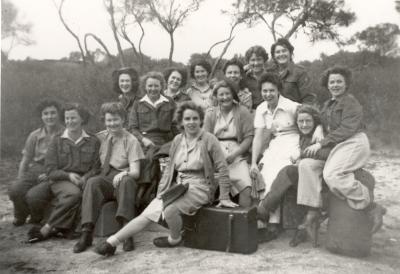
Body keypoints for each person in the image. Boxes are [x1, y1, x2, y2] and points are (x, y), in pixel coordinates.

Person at [95, 101, 237, 256]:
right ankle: (112, 242)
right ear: (181, 121)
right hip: (178, 185)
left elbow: (223, 169)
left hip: (201, 186)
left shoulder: (209, 139)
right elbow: (169, 170)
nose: (191, 122)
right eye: (187, 119)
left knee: (169, 210)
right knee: (149, 213)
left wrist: (224, 197)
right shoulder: (177, 140)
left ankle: (174, 239)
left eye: (195, 118)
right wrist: (161, 193)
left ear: (201, 120)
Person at [295, 66, 386, 242]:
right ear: (327, 85)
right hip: (336, 145)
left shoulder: (351, 103)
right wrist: (320, 126)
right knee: (306, 165)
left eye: (339, 82)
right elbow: (320, 119)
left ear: (346, 84)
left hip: (352, 142)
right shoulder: (328, 104)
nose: (335, 85)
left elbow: (346, 129)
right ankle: (312, 211)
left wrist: (321, 142)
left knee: (332, 175)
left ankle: (370, 205)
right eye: (332, 82)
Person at [73, 102, 145, 253]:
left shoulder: (131, 141)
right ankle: (86, 233)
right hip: (106, 178)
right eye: (109, 120)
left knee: (126, 182)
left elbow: (136, 172)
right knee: (92, 182)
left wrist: (123, 173)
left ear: (123, 120)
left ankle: (127, 233)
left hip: (125, 177)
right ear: (104, 121)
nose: (112, 124)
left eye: (115, 120)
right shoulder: (101, 137)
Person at [256, 105, 332, 246]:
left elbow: (328, 154)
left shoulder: (321, 134)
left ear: (315, 121)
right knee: (287, 171)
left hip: (321, 178)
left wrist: (319, 128)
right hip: (307, 176)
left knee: (289, 172)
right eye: (300, 121)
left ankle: (264, 209)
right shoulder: (302, 136)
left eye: (308, 121)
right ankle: (266, 209)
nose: (304, 125)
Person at [27, 103, 100, 243]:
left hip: (84, 180)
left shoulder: (93, 141)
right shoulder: (57, 141)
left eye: (73, 118)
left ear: (82, 119)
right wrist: (68, 176)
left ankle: (57, 228)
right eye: (67, 118)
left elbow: (97, 167)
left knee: (82, 197)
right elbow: (50, 170)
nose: (69, 121)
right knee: (74, 194)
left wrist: (86, 177)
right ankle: (47, 228)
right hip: (61, 180)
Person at [250, 72, 301, 241]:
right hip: (276, 144)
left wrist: (318, 128)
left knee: (276, 176)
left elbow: (311, 120)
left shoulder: (292, 106)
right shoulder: (261, 108)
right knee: (262, 174)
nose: (268, 94)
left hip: (293, 143)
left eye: (271, 90)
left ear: (279, 90)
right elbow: (258, 137)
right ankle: (264, 221)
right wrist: (253, 162)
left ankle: (272, 224)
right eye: (264, 91)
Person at [8, 99, 64, 226]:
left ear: (59, 114)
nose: (49, 116)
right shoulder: (34, 135)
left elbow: (68, 162)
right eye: (46, 113)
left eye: (53, 113)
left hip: (56, 170)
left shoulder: (65, 134)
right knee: (15, 189)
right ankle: (20, 215)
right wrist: (20, 178)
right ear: (41, 116)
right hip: (37, 168)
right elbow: (25, 160)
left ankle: (36, 217)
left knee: (34, 196)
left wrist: (51, 175)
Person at [203, 79, 253, 207]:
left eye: (228, 94)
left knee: (246, 187)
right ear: (216, 97)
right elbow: (205, 138)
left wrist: (235, 154)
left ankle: (241, 222)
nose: (225, 97)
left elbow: (248, 137)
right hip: (215, 152)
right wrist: (214, 157)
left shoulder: (242, 111)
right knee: (207, 187)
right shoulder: (211, 114)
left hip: (236, 152)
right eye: (221, 94)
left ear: (233, 95)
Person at [128, 71, 177, 185]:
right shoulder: (138, 104)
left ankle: (153, 189)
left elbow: (175, 125)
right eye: (150, 85)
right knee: (150, 157)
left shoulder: (169, 102)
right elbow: (133, 128)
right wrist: (143, 139)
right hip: (145, 141)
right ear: (145, 86)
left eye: (156, 85)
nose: (153, 88)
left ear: (161, 86)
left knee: (160, 157)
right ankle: (148, 190)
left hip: (166, 141)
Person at [266, 38, 315, 104]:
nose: (281, 54)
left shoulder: (300, 72)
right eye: (278, 52)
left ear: (290, 53)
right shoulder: (269, 73)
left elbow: (308, 99)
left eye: (284, 51)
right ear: (274, 56)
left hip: (295, 112)